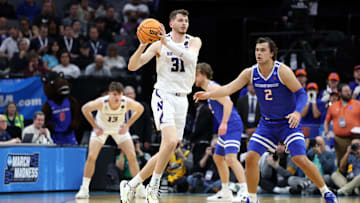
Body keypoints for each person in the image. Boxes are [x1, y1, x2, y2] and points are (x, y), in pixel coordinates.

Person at [193, 37, 337, 203]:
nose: (258, 53)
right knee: (251, 157)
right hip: (267, 124)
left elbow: (301, 94)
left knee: (299, 159)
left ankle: (326, 191)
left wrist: (297, 113)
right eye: (256, 50)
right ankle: (252, 198)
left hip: (287, 123)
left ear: (272, 53)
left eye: (262, 50)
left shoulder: (282, 71)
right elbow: (229, 88)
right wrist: (209, 94)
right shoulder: (251, 72)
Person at [120, 9, 202, 203]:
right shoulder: (158, 43)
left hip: (182, 99)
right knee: (171, 141)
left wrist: (168, 44)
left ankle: (132, 185)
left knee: (168, 148)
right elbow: (133, 66)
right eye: (180, 20)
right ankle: (153, 187)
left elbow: (191, 59)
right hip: (163, 95)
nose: (184, 23)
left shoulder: (194, 41)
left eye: (186, 20)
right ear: (171, 24)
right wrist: (142, 46)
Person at [75, 82, 144, 199]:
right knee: (91, 157)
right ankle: (84, 188)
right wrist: (95, 126)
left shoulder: (126, 102)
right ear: (109, 94)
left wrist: (127, 125)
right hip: (102, 129)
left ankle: (139, 188)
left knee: (132, 156)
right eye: (114, 94)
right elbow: (85, 109)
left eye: (119, 94)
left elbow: (140, 109)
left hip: (119, 129)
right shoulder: (102, 102)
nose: (117, 97)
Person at [195, 62, 248, 201]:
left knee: (231, 159)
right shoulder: (209, 90)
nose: (193, 78)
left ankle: (245, 192)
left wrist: (224, 123)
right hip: (227, 126)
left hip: (232, 124)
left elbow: (228, 103)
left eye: (195, 74)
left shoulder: (213, 87)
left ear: (202, 74)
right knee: (218, 158)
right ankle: (226, 192)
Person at [324, 83, 360, 166]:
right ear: (339, 93)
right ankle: (341, 175)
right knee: (341, 162)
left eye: (349, 91)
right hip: (339, 139)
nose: (348, 93)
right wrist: (327, 133)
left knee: (356, 160)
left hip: (356, 138)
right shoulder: (333, 106)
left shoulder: (357, 104)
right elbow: (327, 121)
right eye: (346, 91)